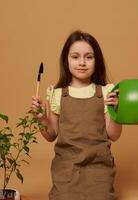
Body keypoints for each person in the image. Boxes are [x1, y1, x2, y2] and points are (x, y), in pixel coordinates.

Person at [31, 30, 122, 200]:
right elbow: (51, 135)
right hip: (67, 168)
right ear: (66, 61)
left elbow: (114, 135)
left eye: (89, 57)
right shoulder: (58, 94)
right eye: (75, 57)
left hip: (99, 167)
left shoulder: (106, 92)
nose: (82, 63)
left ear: (97, 61)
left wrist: (117, 112)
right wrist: (41, 117)